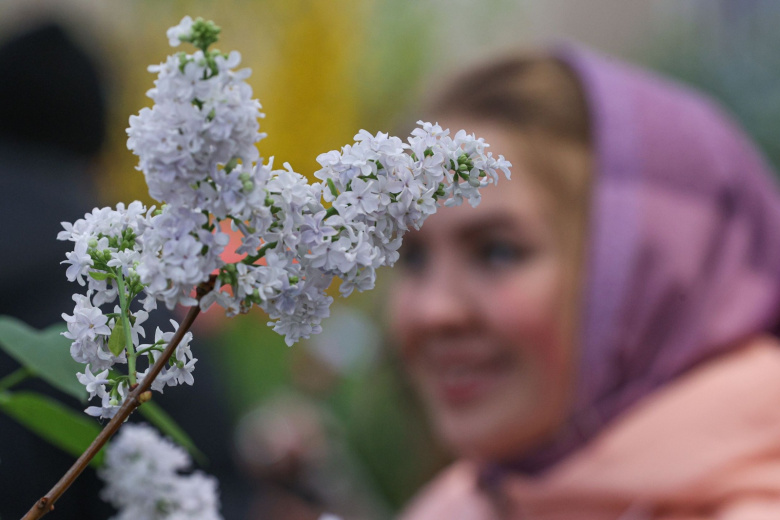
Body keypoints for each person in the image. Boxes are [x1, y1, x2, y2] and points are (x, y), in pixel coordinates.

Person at [389, 45, 780, 519]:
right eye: (412, 258)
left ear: (649, 283)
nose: (434, 311)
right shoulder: (469, 503)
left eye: (497, 252)